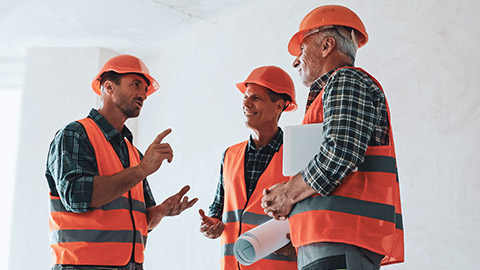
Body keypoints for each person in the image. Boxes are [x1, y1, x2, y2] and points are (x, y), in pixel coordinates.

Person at [261, 5, 404, 270]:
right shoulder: (330, 93)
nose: (295, 61)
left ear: (327, 46)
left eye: (302, 49)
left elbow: (340, 152)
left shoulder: (345, 80)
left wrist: (288, 193)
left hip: (341, 237)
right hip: (328, 239)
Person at [46, 54, 198, 270]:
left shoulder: (132, 152)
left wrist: (161, 212)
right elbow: (76, 196)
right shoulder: (76, 134)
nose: (143, 94)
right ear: (109, 87)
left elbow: (140, 221)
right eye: (135, 84)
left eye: (145, 89)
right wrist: (143, 169)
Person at [199, 66, 298, 270]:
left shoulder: (297, 154)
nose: (246, 103)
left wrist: (298, 241)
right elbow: (219, 208)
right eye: (245, 97)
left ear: (278, 106)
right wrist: (211, 224)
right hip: (231, 265)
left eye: (256, 98)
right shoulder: (230, 155)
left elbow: (310, 216)